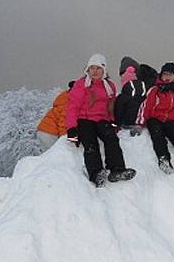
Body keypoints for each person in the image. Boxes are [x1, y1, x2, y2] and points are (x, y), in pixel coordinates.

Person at [66, 54, 136, 187]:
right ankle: (96, 173)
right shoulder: (82, 84)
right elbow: (72, 106)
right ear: (87, 70)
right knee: (90, 143)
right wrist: (71, 128)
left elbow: (110, 106)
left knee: (112, 139)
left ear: (104, 70)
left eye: (98, 68)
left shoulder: (109, 86)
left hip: (102, 119)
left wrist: (113, 121)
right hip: (84, 119)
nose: (94, 71)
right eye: (91, 68)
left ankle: (117, 170)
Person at [114, 59, 157, 129]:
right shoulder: (148, 87)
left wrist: (117, 123)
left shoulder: (124, 94)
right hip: (146, 120)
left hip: (128, 121)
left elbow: (119, 108)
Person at [36, 81, 74, 151]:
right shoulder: (69, 104)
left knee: (50, 154)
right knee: (57, 154)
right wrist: (65, 139)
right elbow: (64, 123)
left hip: (44, 131)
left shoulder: (64, 99)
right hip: (50, 133)